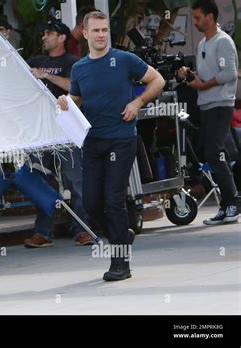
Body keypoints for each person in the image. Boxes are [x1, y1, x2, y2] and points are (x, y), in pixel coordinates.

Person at [58, 11, 165, 281]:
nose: (101, 34)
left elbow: (157, 80)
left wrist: (137, 102)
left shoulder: (125, 60)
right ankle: (122, 234)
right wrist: (66, 104)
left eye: (104, 30)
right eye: (96, 30)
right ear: (85, 33)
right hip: (92, 141)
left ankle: (121, 263)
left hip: (122, 138)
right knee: (92, 203)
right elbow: (77, 100)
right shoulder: (80, 68)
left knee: (113, 199)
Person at [24, 20, 94, 248]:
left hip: (67, 131)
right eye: (43, 33)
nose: (44, 37)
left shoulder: (73, 63)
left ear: (62, 37)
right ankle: (43, 232)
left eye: (49, 33)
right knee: (42, 182)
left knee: (76, 180)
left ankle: (82, 229)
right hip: (40, 131)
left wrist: (45, 76)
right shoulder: (34, 61)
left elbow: (77, 88)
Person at [178, 0, 239, 225]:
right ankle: (226, 205)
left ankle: (232, 201)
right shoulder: (204, 43)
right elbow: (207, 74)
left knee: (214, 151)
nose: (194, 22)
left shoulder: (223, 41)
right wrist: (190, 74)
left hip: (220, 104)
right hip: (206, 105)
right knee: (211, 152)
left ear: (210, 17)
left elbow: (230, 73)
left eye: (197, 17)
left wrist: (202, 86)